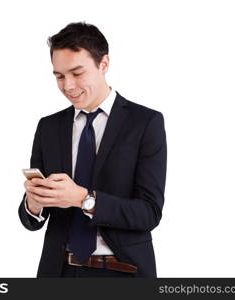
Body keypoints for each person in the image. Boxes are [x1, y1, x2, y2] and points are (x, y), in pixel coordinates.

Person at [18, 22, 167, 278]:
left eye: (78, 73)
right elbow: (30, 220)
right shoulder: (49, 127)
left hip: (123, 272)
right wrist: (34, 203)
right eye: (59, 76)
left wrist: (84, 200)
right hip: (59, 271)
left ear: (104, 64)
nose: (68, 86)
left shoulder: (145, 123)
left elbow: (148, 213)